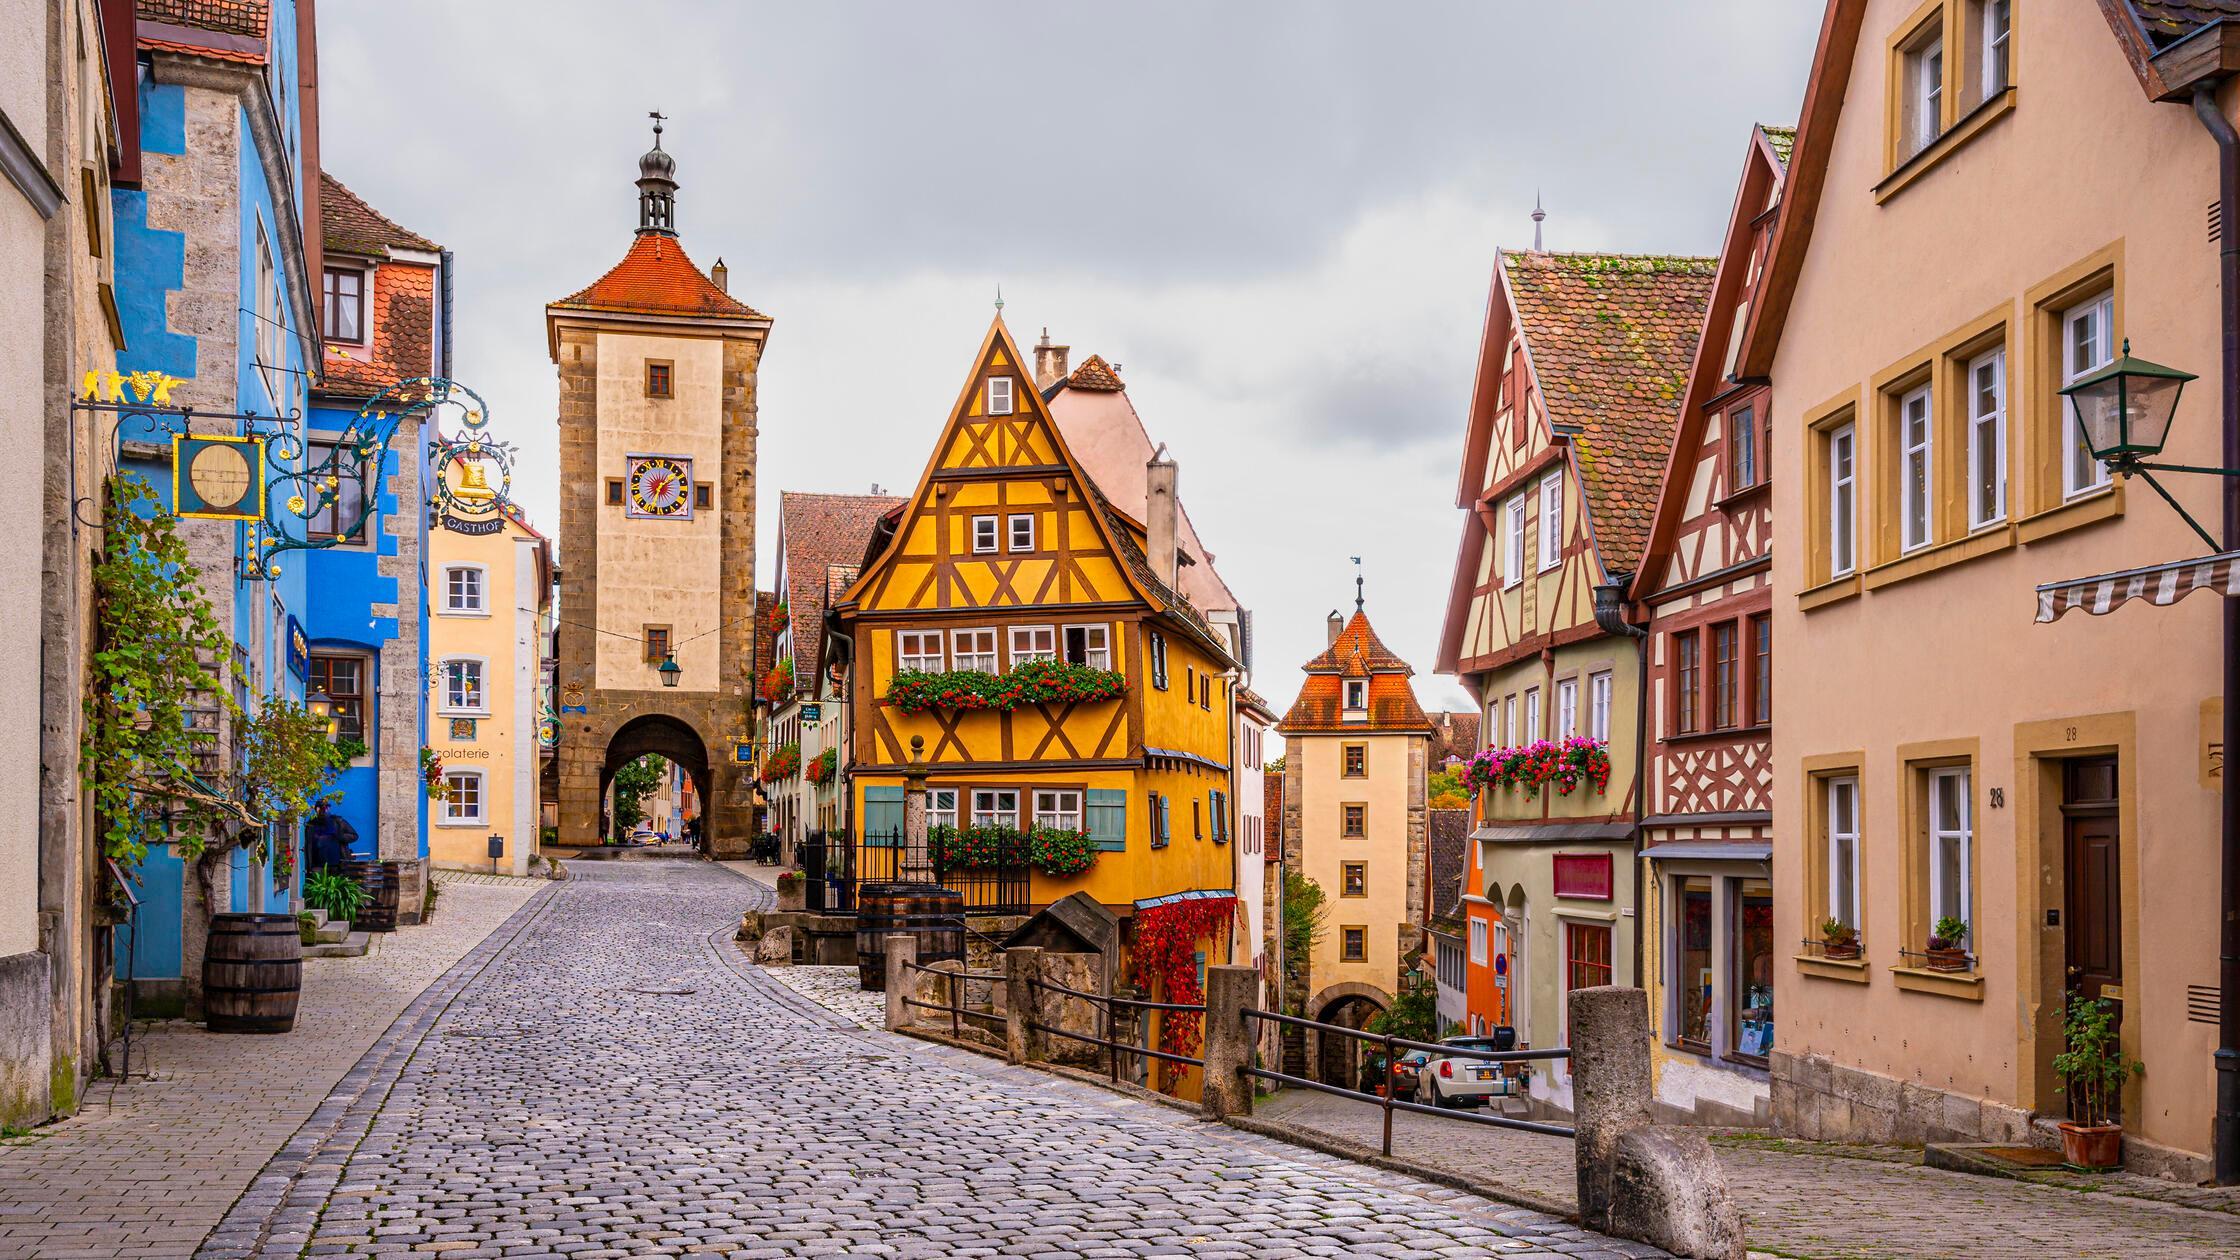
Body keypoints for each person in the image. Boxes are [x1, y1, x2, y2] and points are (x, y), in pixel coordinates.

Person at [303, 801, 357, 875]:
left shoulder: (338, 822)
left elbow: (354, 836)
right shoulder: (311, 825)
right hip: (318, 865)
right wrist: (309, 866)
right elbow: (308, 845)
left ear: (328, 808)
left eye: (325, 808)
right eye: (320, 808)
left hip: (338, 865)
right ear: (316, 809)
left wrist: (340, 836)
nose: (323, 811)